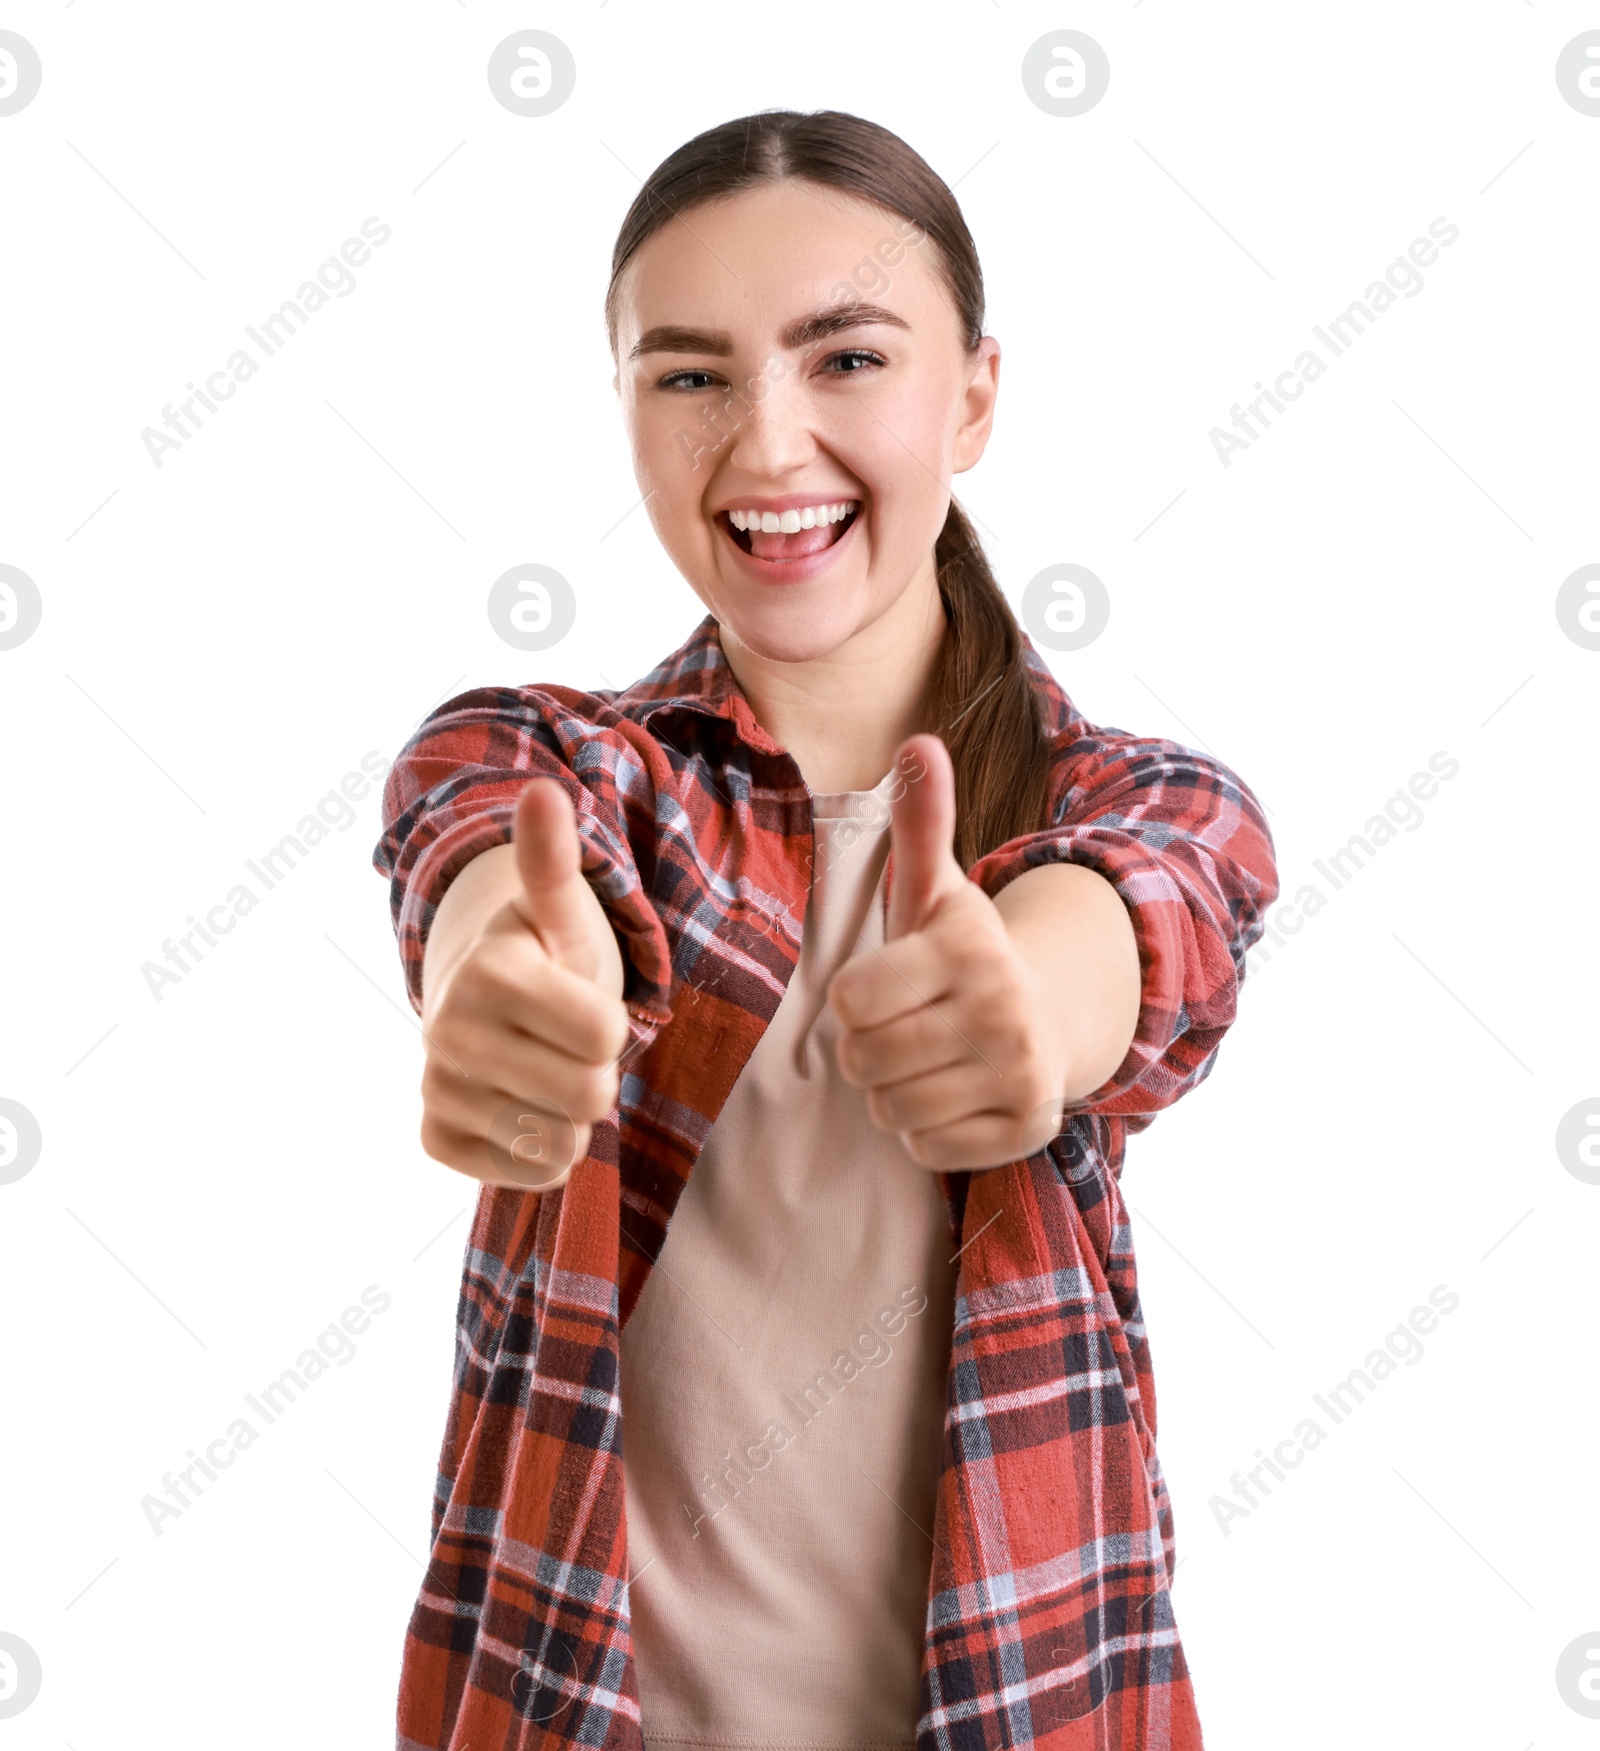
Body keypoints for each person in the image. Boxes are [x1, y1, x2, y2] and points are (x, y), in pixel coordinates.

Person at [373, 108, 1278, 1751]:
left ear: (976, 396)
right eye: (693, 375)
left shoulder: (1149, 804)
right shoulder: (548, 761)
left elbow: (1142, 926)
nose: (769, 445)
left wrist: (1024, 1008)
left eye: (847, 358)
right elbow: (484, 861)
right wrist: (503, 977)